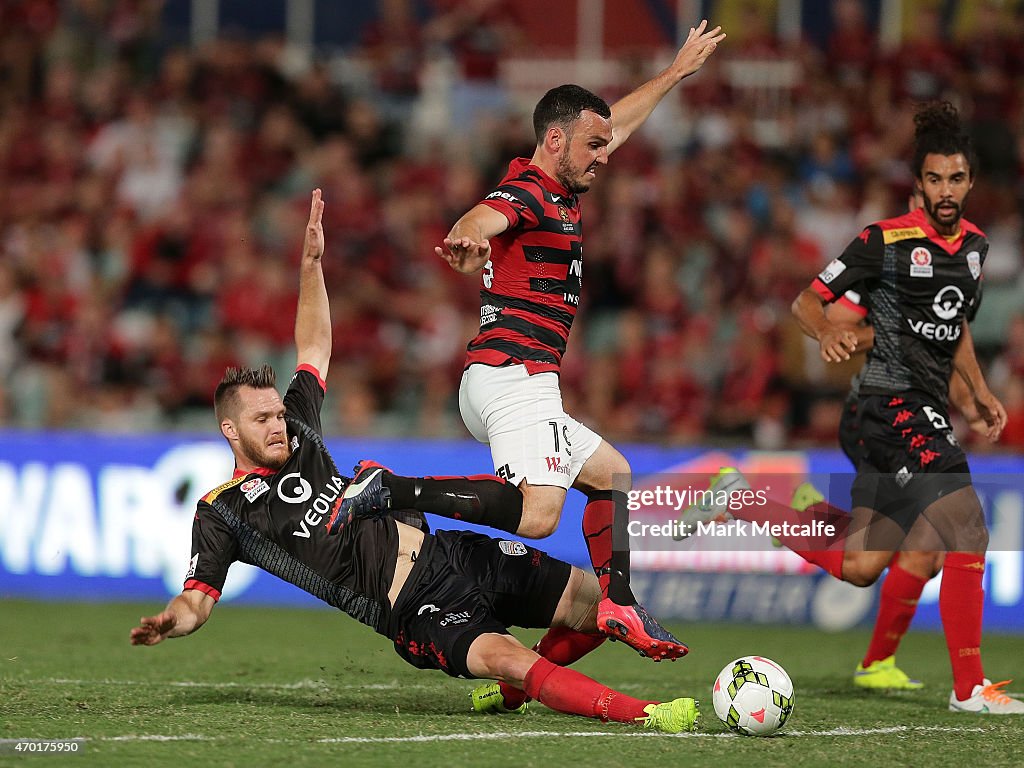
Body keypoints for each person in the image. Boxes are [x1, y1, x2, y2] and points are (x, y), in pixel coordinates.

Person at [128, 190, 701, 734]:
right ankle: (648, 714)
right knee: (509, 658)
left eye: (278, 414)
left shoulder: (299, 430)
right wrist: (169, 622)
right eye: (262, 421)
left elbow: (314, 348)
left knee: (594, 604)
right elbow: (197, 601)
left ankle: (511, 696)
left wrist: (311, 263)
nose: (278, 425)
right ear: (231, 431)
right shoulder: (223, 512)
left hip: (451, 551)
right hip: (413, 609)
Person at [328, 21, 727, 669]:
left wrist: (678, 70)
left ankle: (616, 603)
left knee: (612, 473)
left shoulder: (563, 179)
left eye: (606, 145)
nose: (607, 154)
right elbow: (483, 216)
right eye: (594, 146)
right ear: (555, 140)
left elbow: (616, 122)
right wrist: (468, 238)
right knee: (541, 517)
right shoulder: (531, 193)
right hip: (514, 375)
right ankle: (389, 490)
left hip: (505, 377)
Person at [694, 102, 1021, 713]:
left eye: (956, 179)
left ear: (970, 182)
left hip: (920, 408)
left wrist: (977, 393)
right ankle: (970, 688)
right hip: (884, 404)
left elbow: (957, 333)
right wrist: (825, 333)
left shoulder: (976, 249)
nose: (945, 191)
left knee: (864, 562)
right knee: (967, 527)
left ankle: (742, 498)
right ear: (917, 183)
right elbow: (806, 302)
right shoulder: (884, 241)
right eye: (933, 179)